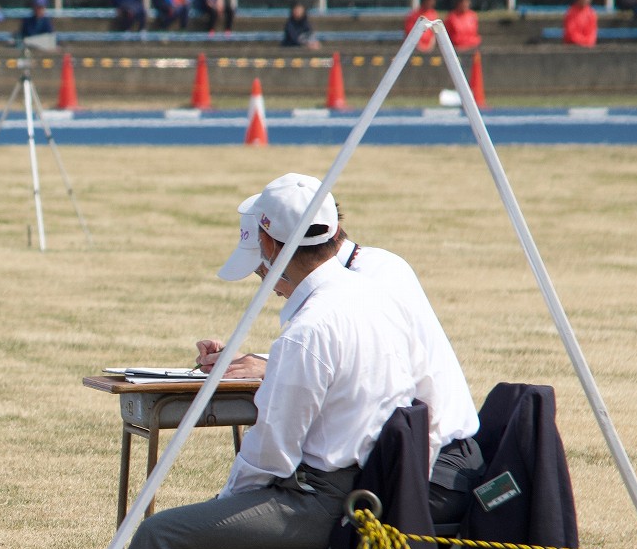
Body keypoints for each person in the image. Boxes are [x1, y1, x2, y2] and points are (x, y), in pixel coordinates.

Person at [0, 174, 423, 549]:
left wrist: (224, 505)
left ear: (268, 244)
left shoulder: (310, 329)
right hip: (375, 491)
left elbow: (273, 454)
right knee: (200, 531)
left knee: (165, 534)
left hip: (326, 498)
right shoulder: (370, 299)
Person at [200, 175, 482, 525]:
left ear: (273, 247)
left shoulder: (372, 280)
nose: (268, 282)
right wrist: (269, 363)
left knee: (267, 508)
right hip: (416, 456)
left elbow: (386, 375)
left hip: (432, 465)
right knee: (269, 505)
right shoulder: (357, 276)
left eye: (262, 268)